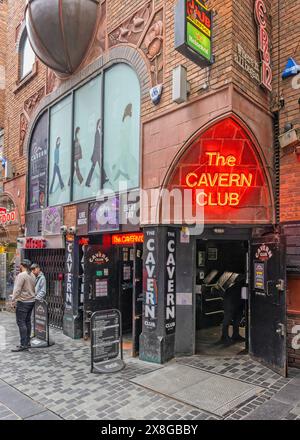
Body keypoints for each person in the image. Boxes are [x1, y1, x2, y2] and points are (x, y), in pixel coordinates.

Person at [10, 260, 36, 352]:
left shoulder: (21, 275)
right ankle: (27, 342)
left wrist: (13, 300)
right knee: (27, 322)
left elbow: (17, 289)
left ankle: (23, 344)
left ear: (21, 265)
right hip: (31, 301)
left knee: (21, 322)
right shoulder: (32, 274)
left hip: (23, 302)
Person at [220, 273, 246, 346]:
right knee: (228, 318)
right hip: (230, 300)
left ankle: (235, 335)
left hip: (238, 300)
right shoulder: (240, 281)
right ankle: (224, 336)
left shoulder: (243, 281)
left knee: (237, 318)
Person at [86, 119, 108, 188]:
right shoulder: (97, 133)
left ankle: (104, 178)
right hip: (96, 154)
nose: (101, 124)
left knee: (99, 166)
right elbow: (96, 145)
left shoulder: (99, 132)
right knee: (94, 167)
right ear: (98, 124)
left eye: (101, 123)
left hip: (97, 153)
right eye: (100, 123)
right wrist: (96, 154)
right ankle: (88, 182)